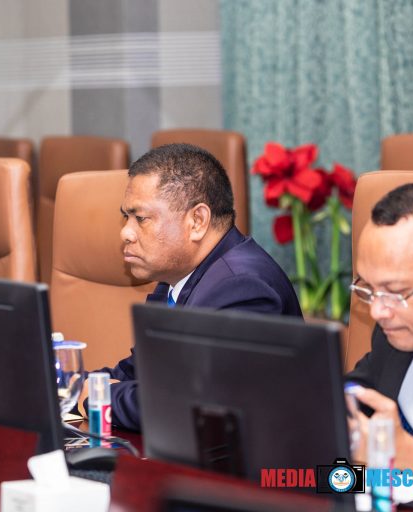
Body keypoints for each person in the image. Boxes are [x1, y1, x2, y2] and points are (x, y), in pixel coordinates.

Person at [83, 143, 302, 431]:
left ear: (197, 221)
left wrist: (97, 396)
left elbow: (185, 405)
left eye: (141, 218)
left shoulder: (243, 287)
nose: (125, 232)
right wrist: (73, 384)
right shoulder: (176, 278)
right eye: (126, 217)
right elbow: (138, 372)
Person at [347, 183, 413, 479]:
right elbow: (356, 391)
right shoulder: (393, 333)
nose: (377, 311)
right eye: (369, 289)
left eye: (395, 291)